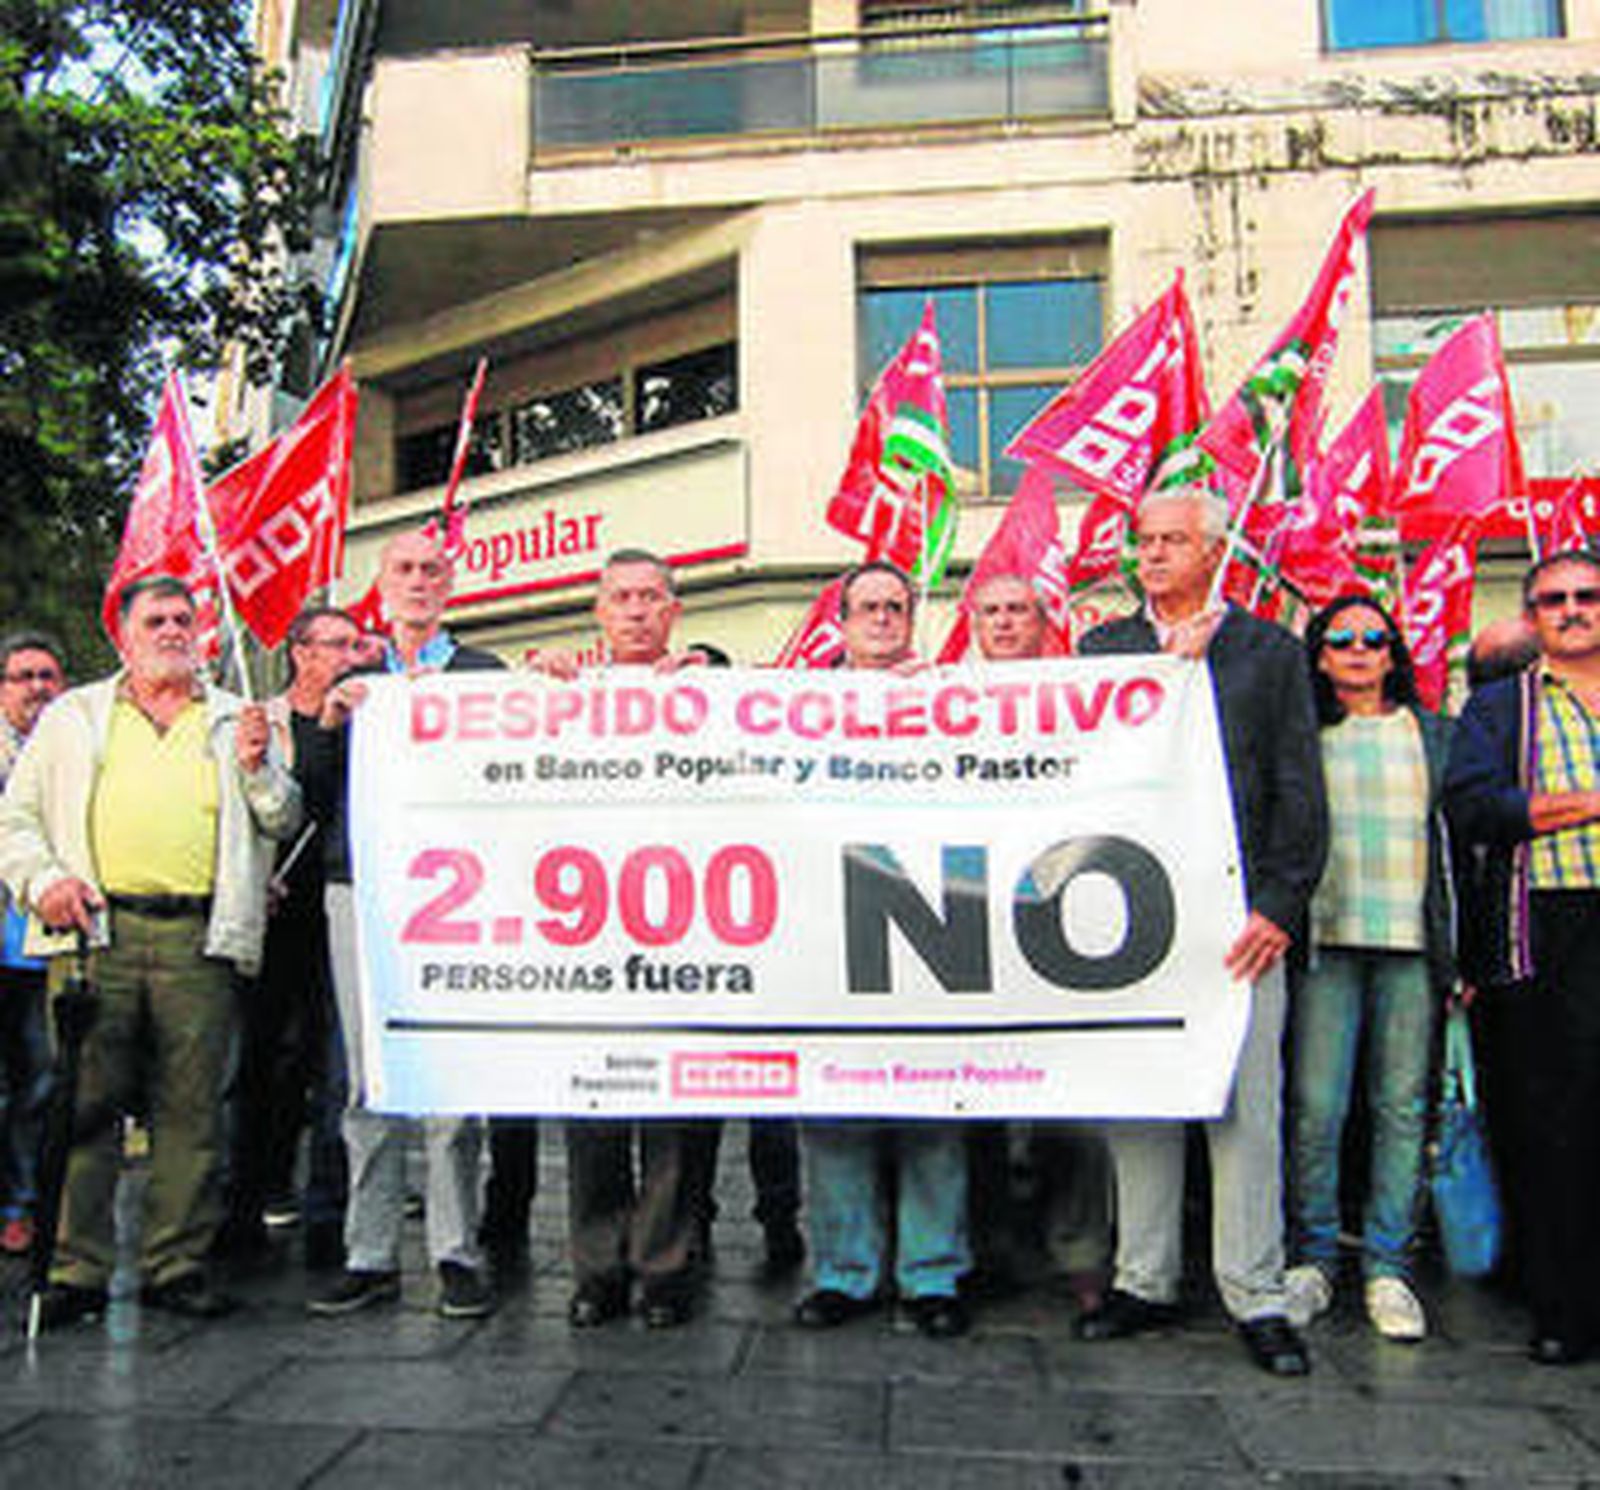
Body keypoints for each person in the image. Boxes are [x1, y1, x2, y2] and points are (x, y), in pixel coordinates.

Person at [0, 576, 299, 1327]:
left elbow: (284, 819)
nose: (172, 631)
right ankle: (76, 1268)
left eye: (182, 619)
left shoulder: (235, 717)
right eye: (155, 620)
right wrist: (44, 882)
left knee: (192, 1108)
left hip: (200, 937)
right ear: (123, 635)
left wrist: (260, 768)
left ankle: (176, 1264)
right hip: (95, 933)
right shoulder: (73, 717)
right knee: (84, 1105)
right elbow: (14, 820)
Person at [1076, 486, 1327, 1378]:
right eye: (1143, 541)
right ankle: (1143, 1280)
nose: (1152, 555)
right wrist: (1163, 675)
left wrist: (1281, 904)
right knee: (1140, 1102)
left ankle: (1255, 1295)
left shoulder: (1269, 652)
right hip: (1135, 919)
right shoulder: (1104, 651)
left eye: (1172, 541)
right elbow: (1087, 772)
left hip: (1238, 922)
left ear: (1216, 550)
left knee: (1246, 1112)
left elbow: (1299, 788)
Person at [308, 530, 506, 1320]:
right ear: (381, 583)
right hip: (361, 889)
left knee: (454, 1078)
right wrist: (329, 722)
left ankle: (456, 1253)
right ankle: (369, 1253)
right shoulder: (355, 679)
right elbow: (314, 795)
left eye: (431, 569)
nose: (418, 581)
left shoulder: (484, 675)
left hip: (461, 894)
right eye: (404, 570)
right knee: (368, 1079)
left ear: (449, 584)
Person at [793, 560, 972, 1339]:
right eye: (867, 606)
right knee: (835, 1106)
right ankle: (844, 1273)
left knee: (932, 1103)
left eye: (895, 606)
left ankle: (933, 1275)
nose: (882, 618)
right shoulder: (795, 705)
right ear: (841, 621)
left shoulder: (953, 696)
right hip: (826, 922)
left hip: (928, 920)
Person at [1444, 548, 1600, 1366]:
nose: (1572, 609)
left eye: (1587, 596)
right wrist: (1584, 804)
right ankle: (1565, 1305)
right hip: (1547, 923)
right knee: (1557, 1122)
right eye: (1554, 599)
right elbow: (1475, 806)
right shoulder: (1500, 708)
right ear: (1533, 617)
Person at [1285, 596, 1454, 1343]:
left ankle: (1389, 1268)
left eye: (1374, 639)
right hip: (1325, 943)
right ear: (1320, 657)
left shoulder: (1435, 735)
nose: (1358, 650)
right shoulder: (1302, 736)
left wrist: (1462, 952)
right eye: (1342, 639)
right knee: (1316, 1109)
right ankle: (1312, 1258)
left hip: (1412, 945)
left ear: (1393, 654)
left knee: (1402, 1110)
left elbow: (1463, 849)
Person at [558, 549, 707, 1329]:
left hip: (688, 926)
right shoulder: (562, 698)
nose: (637, 610)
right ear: (599, 612)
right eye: (622, 597)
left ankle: (664, 1267)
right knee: (594, 1106)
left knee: (675, 1108)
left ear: (674, 610)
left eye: (651, 596)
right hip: (590, 931)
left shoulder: (709, 692)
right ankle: (598, 1270)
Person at [965, 574, 1112, 1311]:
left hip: (1061, 914)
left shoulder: (1083, 698)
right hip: (968, 915)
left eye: (1017, 610)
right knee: (973, 1102)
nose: (1003, 623)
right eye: (990, 611)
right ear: (973, 624)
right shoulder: (942, 698)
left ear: (1044, 621)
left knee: (1071, 1095)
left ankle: (1079, 1250)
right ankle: (989, 1248)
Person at [218, 607, 361, 1273]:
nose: (351, 656)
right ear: (302, 653)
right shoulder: (262, 720)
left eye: (356, 644)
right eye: (338, 644)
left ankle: (328, 1211)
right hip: (273, 914)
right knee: (259, 1062)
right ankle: (247, 1197)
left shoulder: (367, 718)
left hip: (341, 910)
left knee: (333, 1067)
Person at [0, 632, 67, 1256]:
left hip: (45, 946)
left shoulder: (73, 751)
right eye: (23, 677)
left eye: (47, 677)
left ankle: (23, 1207)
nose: (37, 688)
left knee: (41, 1083)